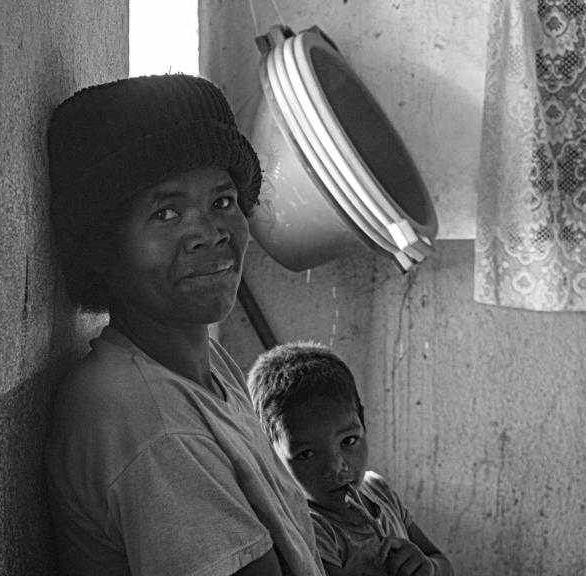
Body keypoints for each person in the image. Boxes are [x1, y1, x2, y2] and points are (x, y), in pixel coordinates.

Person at [44, 74, 325, 576]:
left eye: (222, 202)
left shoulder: (202, 365)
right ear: (102, 247)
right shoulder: (149, 422)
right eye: (166, 213)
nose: (210, 234)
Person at [247, 342, 454, 576]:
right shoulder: (308, 530)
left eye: (349, 441)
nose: (336, 467)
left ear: (363, 422)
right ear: (271, 456)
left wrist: (428, 567)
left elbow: (443, 565)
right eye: (306, 454)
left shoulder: (378, 490)